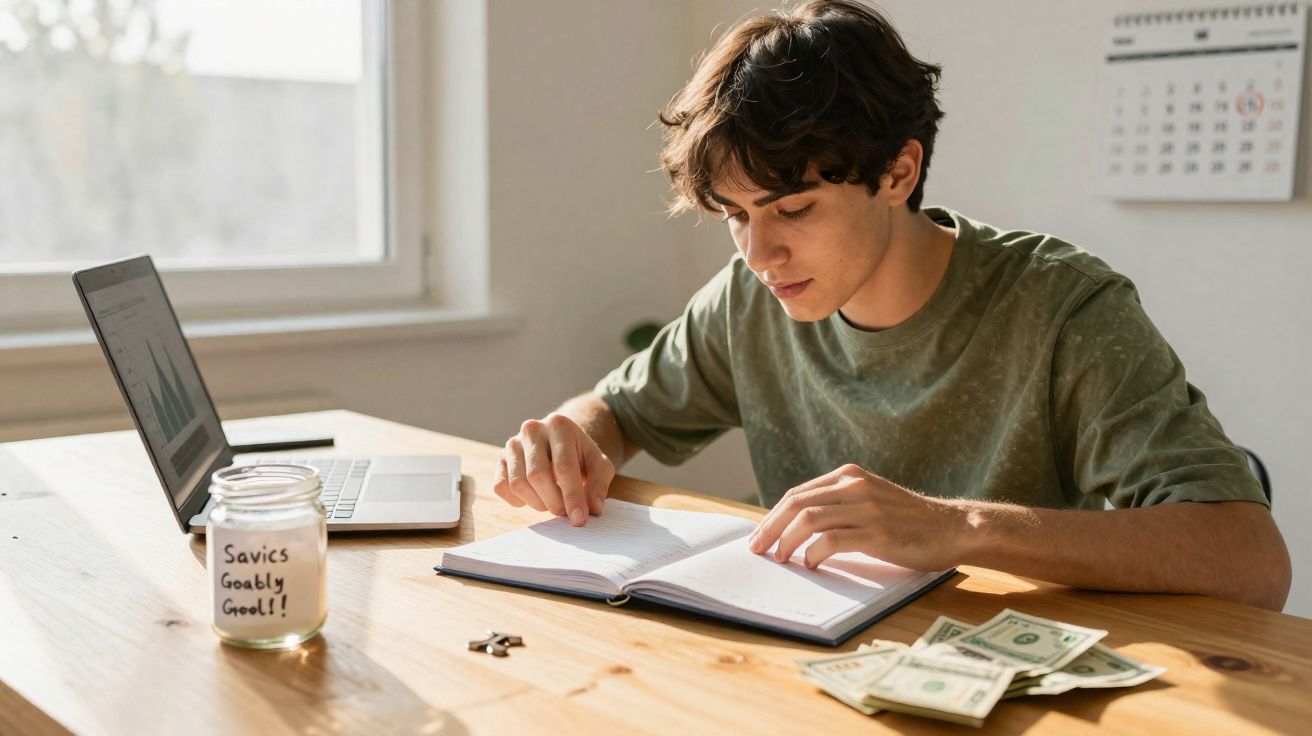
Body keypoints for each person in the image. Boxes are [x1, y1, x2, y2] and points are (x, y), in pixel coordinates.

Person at [490, 0, 1291, 610]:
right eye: (736, 216)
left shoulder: (1064, 306)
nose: (759, 256)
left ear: (899, 173)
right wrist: (573, 436)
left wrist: (957, 527)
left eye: (792, 210)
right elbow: (618, 412)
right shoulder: (748, 299)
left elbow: (1251, 558)